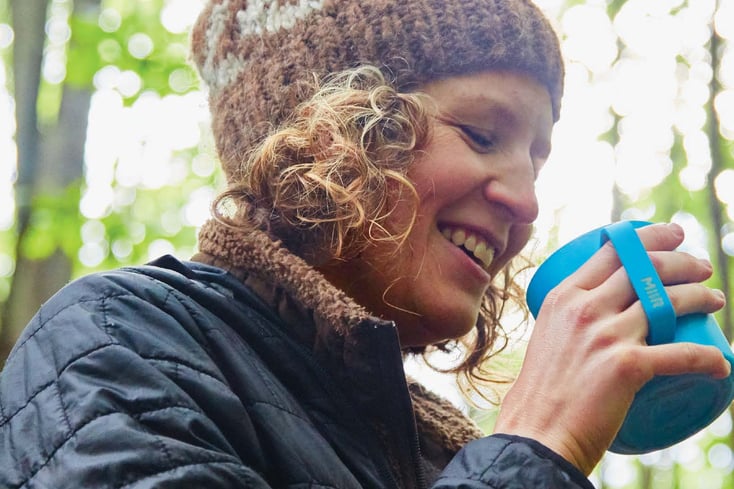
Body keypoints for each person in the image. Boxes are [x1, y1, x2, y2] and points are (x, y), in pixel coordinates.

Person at [0, 0, 729, 487]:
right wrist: (536, 447)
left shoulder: (435, 445)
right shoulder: (112, 343)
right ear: (329, 134)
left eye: (536, 159)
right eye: (481, 134)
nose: (528, 202)